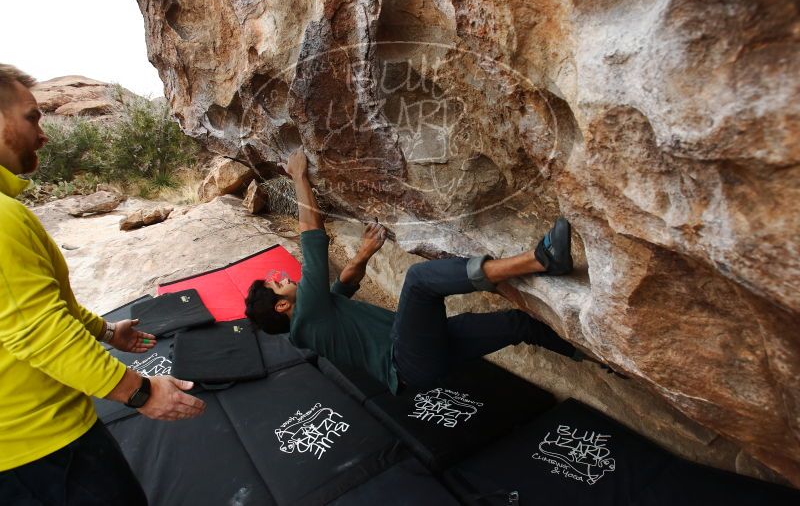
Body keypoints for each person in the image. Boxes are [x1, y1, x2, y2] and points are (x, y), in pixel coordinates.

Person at [0, 64, 206, 505]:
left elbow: (35, 306)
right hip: (40, 448)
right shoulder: (0, 218)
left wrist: (106, 332)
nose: (43, 134)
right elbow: (40, 332)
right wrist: (141, 392)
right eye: (32, 117)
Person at [245, 147, 581, 393]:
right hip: (406, 360)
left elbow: (343, 286)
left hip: (424, 355)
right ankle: (541, 260)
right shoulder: (307, 315)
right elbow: (312, 236)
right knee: (419, 281)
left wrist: (363, 255)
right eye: (278, 285)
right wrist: (299, 176)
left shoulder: (313, 320)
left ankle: (598, 359)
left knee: (517, 324)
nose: (283, 278)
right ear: (282, 306)